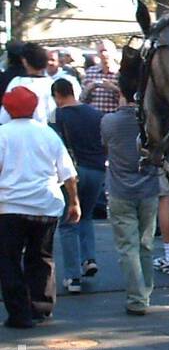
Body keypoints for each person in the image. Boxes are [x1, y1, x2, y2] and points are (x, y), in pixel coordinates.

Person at [0, 87, 78, 328]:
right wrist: (74, 201)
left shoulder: (2, 134)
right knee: (42, 257)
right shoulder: (48, 134)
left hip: (10, 207)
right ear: (34, 107)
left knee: (9, 260)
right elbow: (68, 173)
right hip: (46, 204)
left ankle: (19, 313)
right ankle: (41, 307)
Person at [100, 86, 158, 316]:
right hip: (149, 188)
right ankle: (146, 291)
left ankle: (137, 298)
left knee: (128, 247)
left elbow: (105, 146)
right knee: (146, 244)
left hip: (120, 189)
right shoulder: (150, 122)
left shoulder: (109, 121)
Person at [51, 78, 105, 294]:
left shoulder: (58, 116)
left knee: (68, 222)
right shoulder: (95, 114)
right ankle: (89, 258)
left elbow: (56, 146)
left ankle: (73, 276)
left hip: (72, 172)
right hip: (96, 170)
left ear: (58, 95)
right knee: (87, 216)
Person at [0, 42, 57, 126]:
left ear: (25, 61)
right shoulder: (51, 83)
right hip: (44, 129)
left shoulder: (17, 82)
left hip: (16, 129)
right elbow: (53, 114)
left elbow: (5, 115)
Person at [81, 39, 122, 115]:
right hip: (94, 118)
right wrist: (89, 88)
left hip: (113, 118)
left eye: (106, 50)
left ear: (113, 52)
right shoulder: (90, 72)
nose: (103, 54)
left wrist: (113, 88)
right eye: (101, 51)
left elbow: (127, 100)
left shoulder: (120, 73)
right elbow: (82, 100)